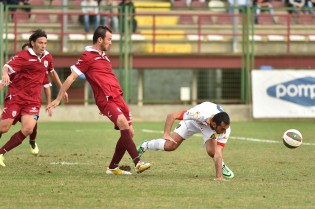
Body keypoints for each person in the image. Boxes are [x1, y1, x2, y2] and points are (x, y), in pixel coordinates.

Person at [46, 26, 151, 175]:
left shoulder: (104, 57)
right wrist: (58, 98)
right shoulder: (87, 56)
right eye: (109, 39)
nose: (111, 43)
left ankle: (113, 167)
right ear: (100, 39)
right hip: (106, 100)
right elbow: (71, 77)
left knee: (129, 132)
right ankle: (138, 163)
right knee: (122, 122)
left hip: (117, 97)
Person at [136, 101, 234, 181]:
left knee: (213, 152)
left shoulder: (225, 129)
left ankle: (221, 165)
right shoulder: (198, 114)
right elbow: (172, 116)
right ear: (213, 123)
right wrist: (166, 134)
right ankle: (145, 145)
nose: (224, 132)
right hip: (192, 122)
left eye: (226, 129)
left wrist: (219, 177)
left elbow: (219, 150)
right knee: (170, 146)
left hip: (208, 127)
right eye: (222, 129)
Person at [0, 29, 54, 167]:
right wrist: (5, 74)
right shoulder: (23, 56)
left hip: (33, 100)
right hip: (16, 97)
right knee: (4, 128)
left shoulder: (47, 57)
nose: (43, 46)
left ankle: (1, 153)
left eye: (45, 43)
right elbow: (6, 66)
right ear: (33, 43)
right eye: (40, 43)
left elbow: (50, 77)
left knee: (29, 129)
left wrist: (56, 97)